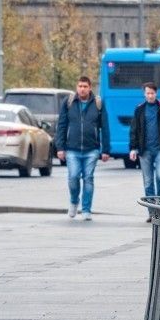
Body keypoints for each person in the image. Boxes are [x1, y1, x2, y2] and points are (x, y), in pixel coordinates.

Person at [54, 76, 111, 221]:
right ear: (76, 87)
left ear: (90, 87)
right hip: (72, 148)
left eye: (85, 86)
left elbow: (105, 127)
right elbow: (61, 126)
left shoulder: (98, 103)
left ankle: (86, 209)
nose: (82, 89)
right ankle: (74, 201)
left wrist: (106, 150)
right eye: (80, 86)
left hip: (91, 149)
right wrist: (60, 147)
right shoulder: (69, 102)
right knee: (73, 177)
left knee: (88, 178)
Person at [129, 82, 160, 223]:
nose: (150, 95)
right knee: (148, 182)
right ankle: (152, 212)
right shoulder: (139, 110)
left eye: (152, 93)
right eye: (148, 93)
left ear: (156, 93)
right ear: (144, 94)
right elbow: (134, 130)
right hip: (145, 151)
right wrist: (133, 148)